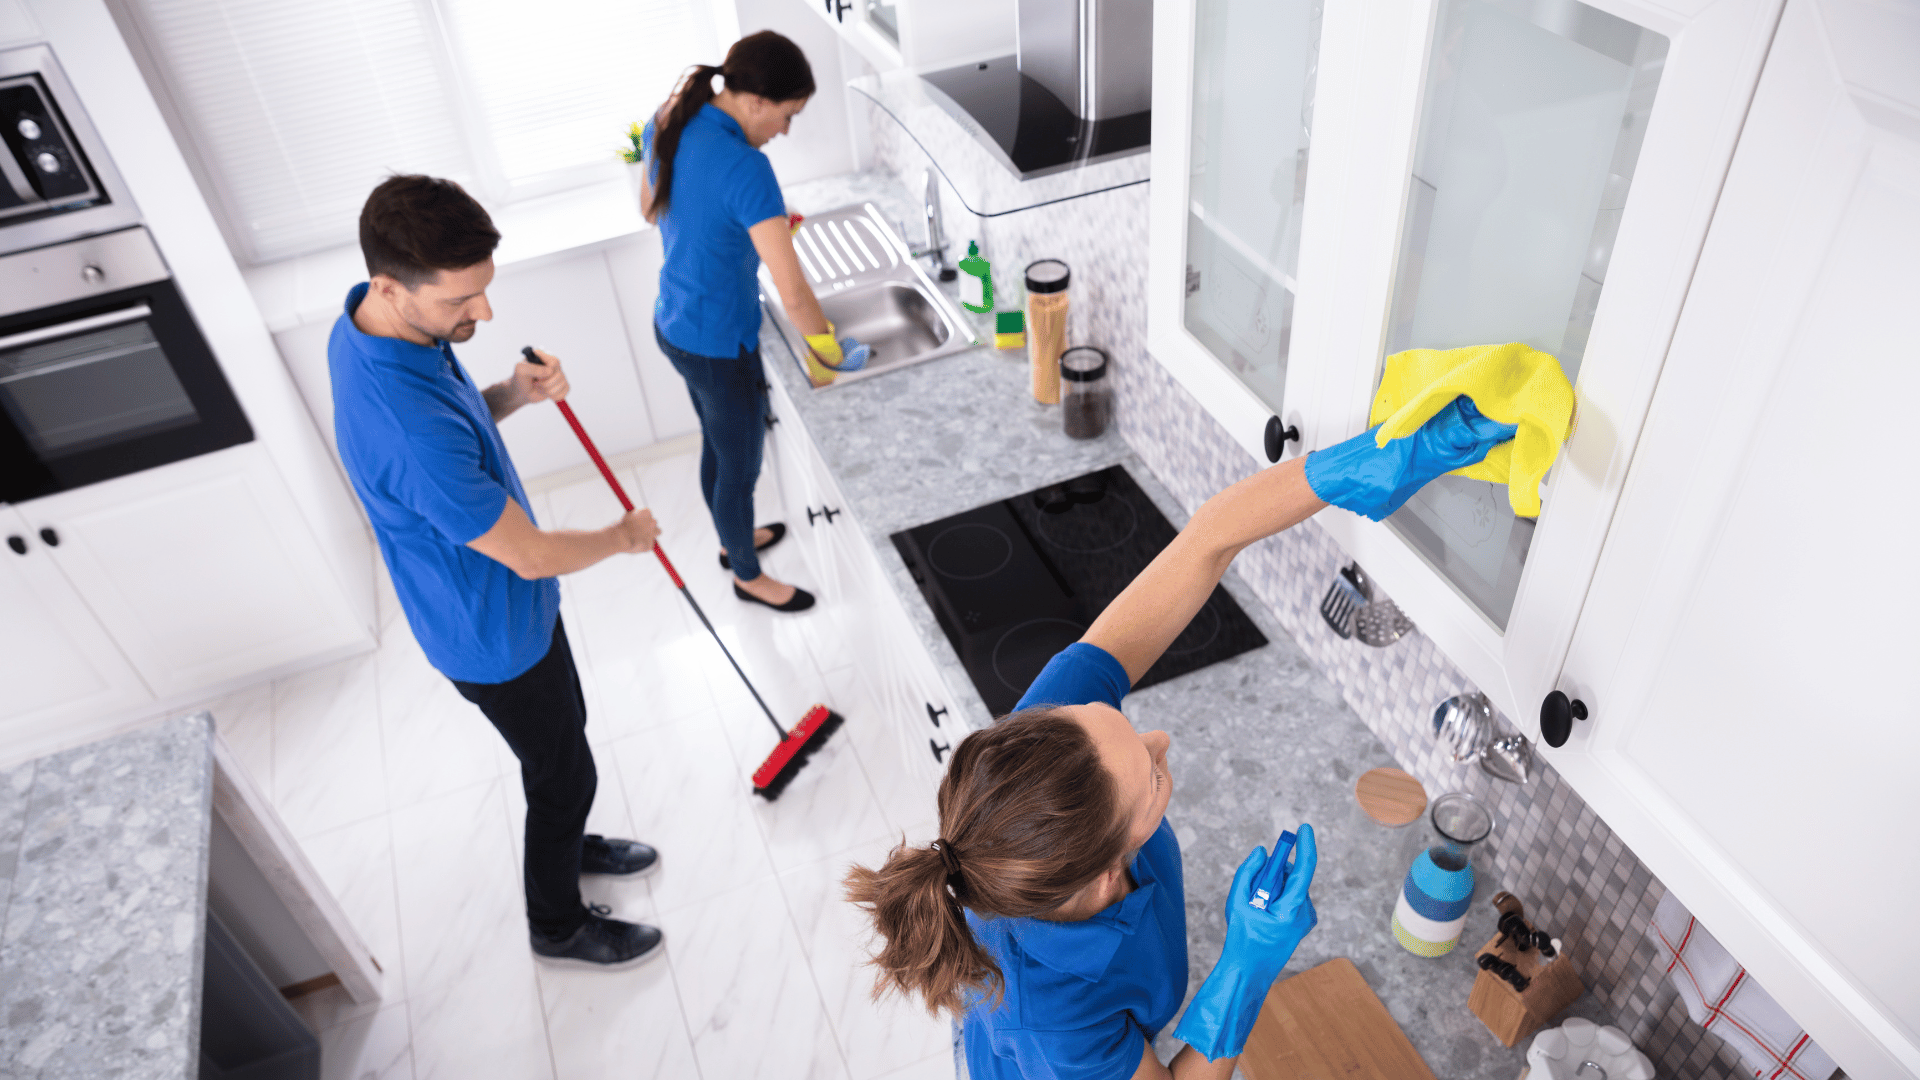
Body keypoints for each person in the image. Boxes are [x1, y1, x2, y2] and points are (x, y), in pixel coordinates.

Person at [847, 399, 1519, 1078]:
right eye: (1151, 774)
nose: (1159, 738)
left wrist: (1349, 469)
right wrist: (1247, 964)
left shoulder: (1048, 749)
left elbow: (1208, 541)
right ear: (1111, 865)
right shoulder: (1051, 1013)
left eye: (1127, 731)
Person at [330, 174, 665, 970]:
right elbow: (530, 552)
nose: (483, 314)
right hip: (492, 633)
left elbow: (458, 428)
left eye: (483, 292)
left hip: (503, 609)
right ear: (391, 285)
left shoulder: (375, 327)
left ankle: (572, 839)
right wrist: (622, 535)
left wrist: (511, 391)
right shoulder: (404, 425)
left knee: (563, 748)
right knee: (562, 775)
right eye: (462, 302)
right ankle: (556, 927)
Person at [639, 30, 868, 613]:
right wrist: (829, 350)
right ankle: (746, 573)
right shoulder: (747, 167)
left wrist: (744, 226)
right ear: (757, 102)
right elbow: (793, 292)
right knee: (739, 464)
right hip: (719, 341)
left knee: (717, 447)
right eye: (788, 116)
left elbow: (652, 209)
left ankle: (727, 537)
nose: (786, 130)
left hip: (674, 322)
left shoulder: (670, 119)